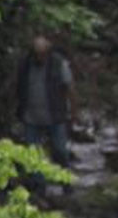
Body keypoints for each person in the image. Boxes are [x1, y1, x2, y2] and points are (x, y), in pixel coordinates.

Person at [14, 33, 77, 168]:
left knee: (60, 150)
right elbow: (18, 87)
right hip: (31, 116)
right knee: (33, 154)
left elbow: (69, 88)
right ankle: (39, 185)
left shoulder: (59, 64)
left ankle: (66, 181)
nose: (39, 58)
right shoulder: (25, 65)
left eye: (42, 54)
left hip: (55, 114)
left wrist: (73, 112)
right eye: (36, 54)